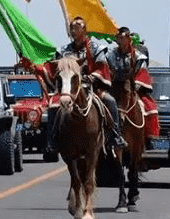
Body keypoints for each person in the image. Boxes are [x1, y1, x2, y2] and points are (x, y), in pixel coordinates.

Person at [24, 16, 127, 156]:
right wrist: (34, 67)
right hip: (69, 88)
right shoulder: (63, 51)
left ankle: (115, 136)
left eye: (77, 27)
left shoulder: (96, 49)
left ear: (84, 30)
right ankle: (52, 140)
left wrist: (92, 76)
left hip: (91, 87)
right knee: (53, 107)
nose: (73, 30)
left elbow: (102, 67)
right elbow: (52, 69)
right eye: (72, 27)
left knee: (110, 101)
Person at [107, 26, 159, 139]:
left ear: (129, 40)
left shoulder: (138, 56)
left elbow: (142, 71)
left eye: (123, 38)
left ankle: (147, 136)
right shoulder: (110, 55)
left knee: (148, 106)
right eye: (119, 38)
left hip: (132, 86)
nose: (120, 41)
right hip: (113, 86)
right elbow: (106, 69)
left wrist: (138, 83)